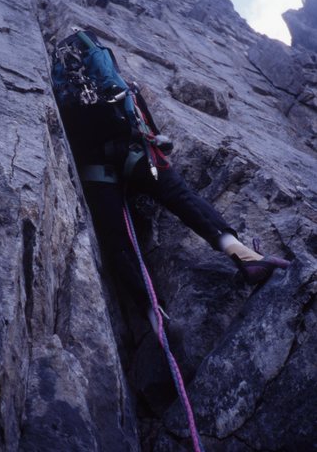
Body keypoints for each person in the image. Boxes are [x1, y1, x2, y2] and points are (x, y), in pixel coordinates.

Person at [51, 28, 290, 322]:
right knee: (181, 196)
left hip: (96, 171)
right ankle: (243, 255)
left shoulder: (64, 86)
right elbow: (149, 131)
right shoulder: (124, 85)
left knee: (116, 239)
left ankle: (153, 314)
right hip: (137, 156)